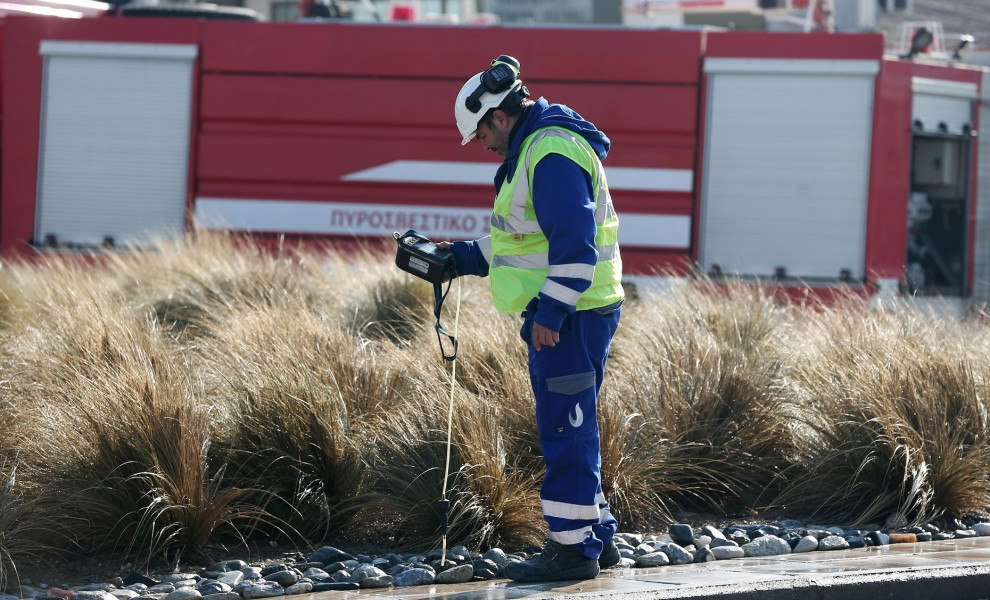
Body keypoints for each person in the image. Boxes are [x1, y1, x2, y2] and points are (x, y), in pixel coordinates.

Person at [440, 55, 624, 583]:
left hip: (571, 317)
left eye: (481, 135)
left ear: (499, 116)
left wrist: (552, 311)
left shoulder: (549, 152)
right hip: (577, 311)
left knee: (567, 430)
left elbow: (575, 246)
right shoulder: (541, 147)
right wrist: (457, 257)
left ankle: (572, 551)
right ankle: (596, 536)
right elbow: (523, 240)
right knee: (574, 424)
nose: (483, 146)